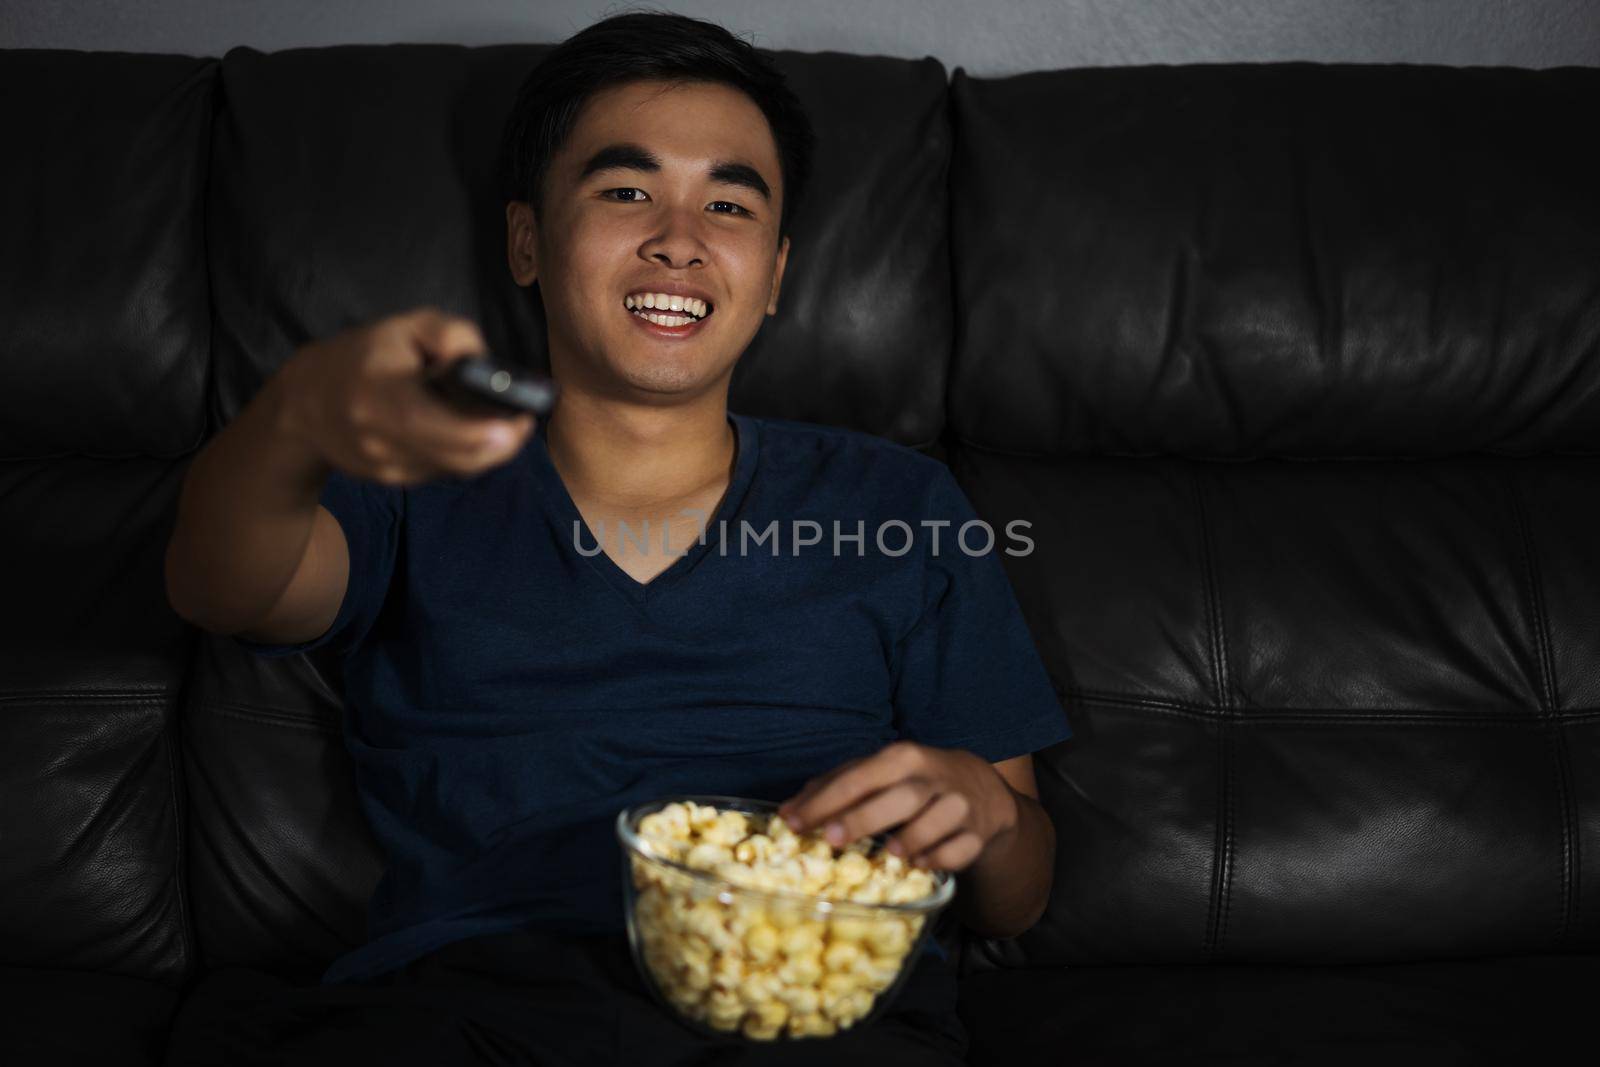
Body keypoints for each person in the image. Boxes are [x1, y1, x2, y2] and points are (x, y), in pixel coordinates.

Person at [163, 10, 1071, 1065]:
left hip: (803, 1011)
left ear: (775, 275)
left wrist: (989, 816)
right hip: (469, 1004)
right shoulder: (411, 476)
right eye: (626, 190)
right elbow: (221, 587)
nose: (678, 239)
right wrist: (293, 418)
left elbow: (1018, 897)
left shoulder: (901, 503)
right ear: (526, 240)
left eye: (728, 203)